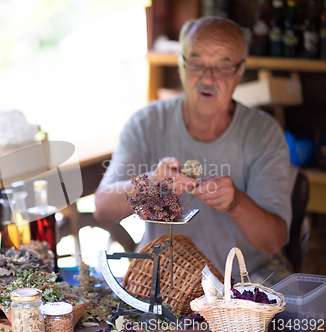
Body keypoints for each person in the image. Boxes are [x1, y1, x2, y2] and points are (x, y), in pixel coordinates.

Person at [94, 17, 294, 282]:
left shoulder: (263, 132)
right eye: (197, 63)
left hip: (242, 279)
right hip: (167, 278)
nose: (207, 77)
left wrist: (236, 203)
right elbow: (102, 208)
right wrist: (150, 185)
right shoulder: (146, 123)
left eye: (223, 66)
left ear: (240, 71)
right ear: (181, 64)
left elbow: (273, 243)